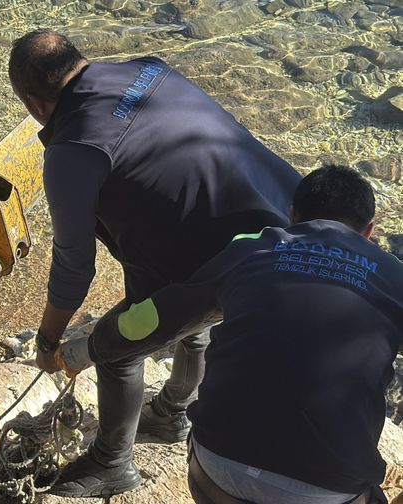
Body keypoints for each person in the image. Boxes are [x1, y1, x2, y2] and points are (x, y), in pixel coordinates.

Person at [7, 29, 303, 497]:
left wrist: (47, 339)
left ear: (34, 104)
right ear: (80, 60)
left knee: (116, 345)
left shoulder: (72, 152)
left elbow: (74, 267)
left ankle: (111, 463)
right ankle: (170, 415)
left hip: (237, 260)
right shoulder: (149, 68)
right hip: (290, 222)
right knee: (189, 320)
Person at [53, 164, 403, 503]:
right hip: (327, 491)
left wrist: (85, 351)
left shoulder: (250, 248)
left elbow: (156, 317)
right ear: (369, 231)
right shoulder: (394, 276)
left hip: (217, 472)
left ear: (293, 214)